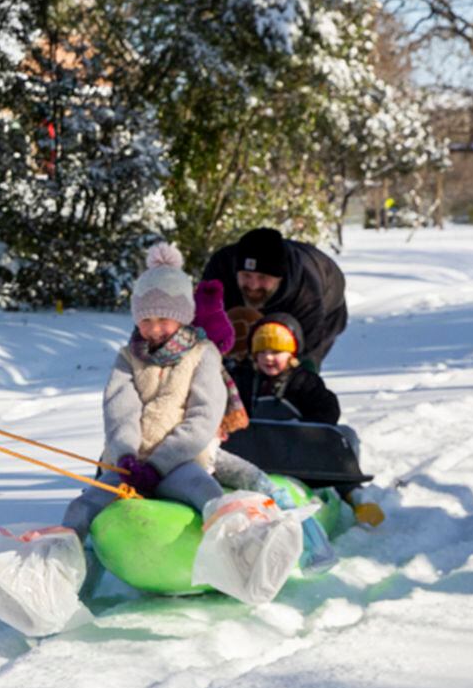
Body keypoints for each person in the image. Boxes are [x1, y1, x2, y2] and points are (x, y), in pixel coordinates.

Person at [62, 244, 233, 537]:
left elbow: (203, 417)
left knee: (209, 494)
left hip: (181, 462)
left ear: (182, 316)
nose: (154, 329)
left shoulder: (203, 355)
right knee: (85, 505)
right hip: (130, 465)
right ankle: (59, 558)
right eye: (146, 320)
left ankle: (235, 549)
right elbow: (119, 411)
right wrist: (127, 457)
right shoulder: (128, 357)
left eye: (163, 319)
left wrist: (158, 465)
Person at [201, 227, 348, 369]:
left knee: (286, 370)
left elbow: (307, 355)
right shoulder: (219, 270)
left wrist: (304, 374)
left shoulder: (306, 293)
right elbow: (203, 321)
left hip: (328, 309)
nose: (253, 285)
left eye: (263, 277)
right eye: (246, 275)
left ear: (280, 278)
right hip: (248, 310)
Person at [232, 314, 342, 425]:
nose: (268, 357)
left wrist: (304, 427)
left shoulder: (304, 382)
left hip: (296, 440)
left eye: (276, 352)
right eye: (262, 352)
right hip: (253, 439)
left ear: (291, 355)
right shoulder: (245, 381)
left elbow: (327, 411)